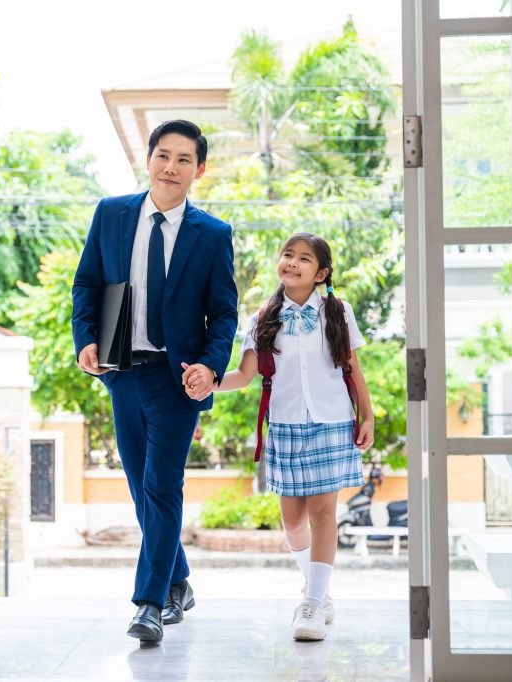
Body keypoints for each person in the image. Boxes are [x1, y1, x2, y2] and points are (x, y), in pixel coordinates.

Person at [71, 119, 238, 642]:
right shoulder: (112, 214)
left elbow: (224, 313)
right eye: (163, 156)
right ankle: (180, 579)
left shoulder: (212, 235)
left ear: (199, 170)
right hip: (122, 372)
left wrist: (210, 367)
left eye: (184, 160)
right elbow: (87, 284)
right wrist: (85, 340)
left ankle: (150, 602)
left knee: (162, 486)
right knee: (142, 489)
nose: (171, 167)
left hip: (177, 379)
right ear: (148, 160)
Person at [183, 232, 375, 641]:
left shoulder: (338, 311)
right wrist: (209, 380)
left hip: (331, 421)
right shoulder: (264, 316)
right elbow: (244, 375)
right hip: (285, 425)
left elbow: (352, 368)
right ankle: (316, 589)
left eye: (304, 258)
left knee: (325, 513)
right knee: (292, 523)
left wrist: (368, 417)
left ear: (321, 273)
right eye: (287, 254)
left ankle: (312, 603)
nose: (292, 262)